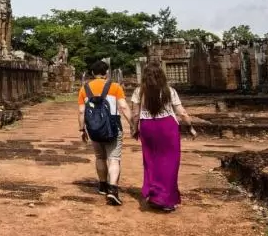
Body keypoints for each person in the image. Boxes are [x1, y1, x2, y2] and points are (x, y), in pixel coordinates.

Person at [129, 60, 197, 212]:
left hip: (147, 127)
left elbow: (135, 114)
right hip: (167, 127)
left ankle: (155, 194)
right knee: (170, 162)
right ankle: (166, 199)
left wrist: (134, 129)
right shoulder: (169, 91)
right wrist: (190, 127)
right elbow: (182, 112)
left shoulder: (139, 91)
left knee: (151, 160)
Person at [77, 59, 132, 205]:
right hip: (113, 127)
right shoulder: (115, 87)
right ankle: (113, 189)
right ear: (106, 73)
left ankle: (102, 185)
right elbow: (124, 107)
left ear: (93, 73)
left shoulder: (84, 88)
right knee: (114, 158)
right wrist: (133, 124)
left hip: (94, 128)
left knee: (100, 157)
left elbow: (82, 111)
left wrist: (82, 129)